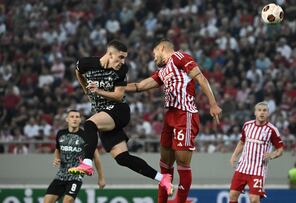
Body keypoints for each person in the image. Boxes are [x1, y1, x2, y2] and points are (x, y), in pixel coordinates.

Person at [67, 40, 173, 195]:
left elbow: (118, 96)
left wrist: (97, 91)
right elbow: (78, 71)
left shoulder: (121, 69)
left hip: (118, 110)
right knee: (122, 158)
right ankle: (163, 178)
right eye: (120, 57)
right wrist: (86, 89)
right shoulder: (86, 63)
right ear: (110, 54)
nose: (122, 62)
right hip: (104, 114)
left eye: (125, 58)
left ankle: (87, 163)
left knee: (89, 124)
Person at [125, 39, 222, 203]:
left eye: (155, 54)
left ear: (162, 48)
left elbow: (201, 79)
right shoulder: (162, 71)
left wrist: (213, 104)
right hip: (169, 117)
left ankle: (180, 201)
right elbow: (139, 86)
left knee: (182, 164)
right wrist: (113, 87)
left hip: (185, 114)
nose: (154, 58)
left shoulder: (180, 57)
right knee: (165, 165)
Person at [44, 110, 106, 203]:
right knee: (47, 201)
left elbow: (96, 157)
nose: (75, 119)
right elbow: (58, 149)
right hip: (61, 175)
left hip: (76, 176)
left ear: (80, 120)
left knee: (67, 200)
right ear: (67, 119)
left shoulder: (86, 136)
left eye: (77, 117)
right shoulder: (61, 134)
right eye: (72, 117)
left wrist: (101, 178)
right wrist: (56, 158)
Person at [228, 102, 284, 203]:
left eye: (264, 110)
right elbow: (242, 142)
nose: (262, 113)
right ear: (255, 112)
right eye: (259, 110)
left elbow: (280, 150)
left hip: (258, 170)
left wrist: (272, 155)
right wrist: (234, 156)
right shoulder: (247, 125)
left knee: (254, 199)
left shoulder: (272, 130)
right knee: (232, 195)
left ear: (268, 113)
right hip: (242, 167)